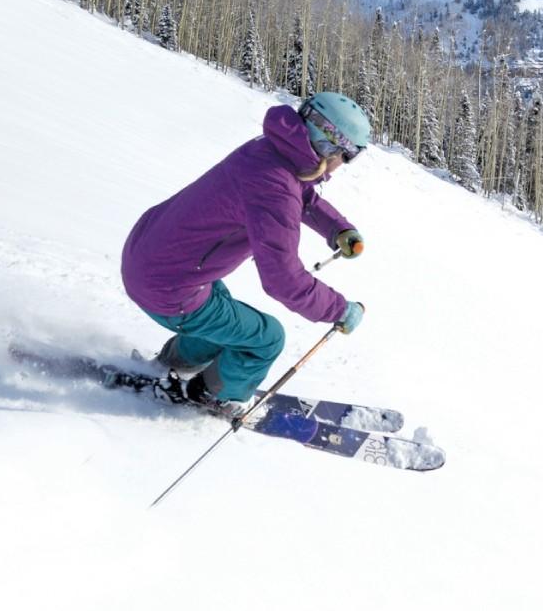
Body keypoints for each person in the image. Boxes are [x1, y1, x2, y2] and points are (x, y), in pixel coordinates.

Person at [121, 92, 370, 415]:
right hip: (168, 286)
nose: (343, 166)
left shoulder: (269, 150)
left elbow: (301, 194)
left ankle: (173, 364)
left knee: (224, 313)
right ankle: (213, 397)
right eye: (347, 156)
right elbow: (282, 279)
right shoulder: (275, 188)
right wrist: (339, 310)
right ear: (328, 146)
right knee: (266, 338)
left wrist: (337, 228)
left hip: (150, 255)